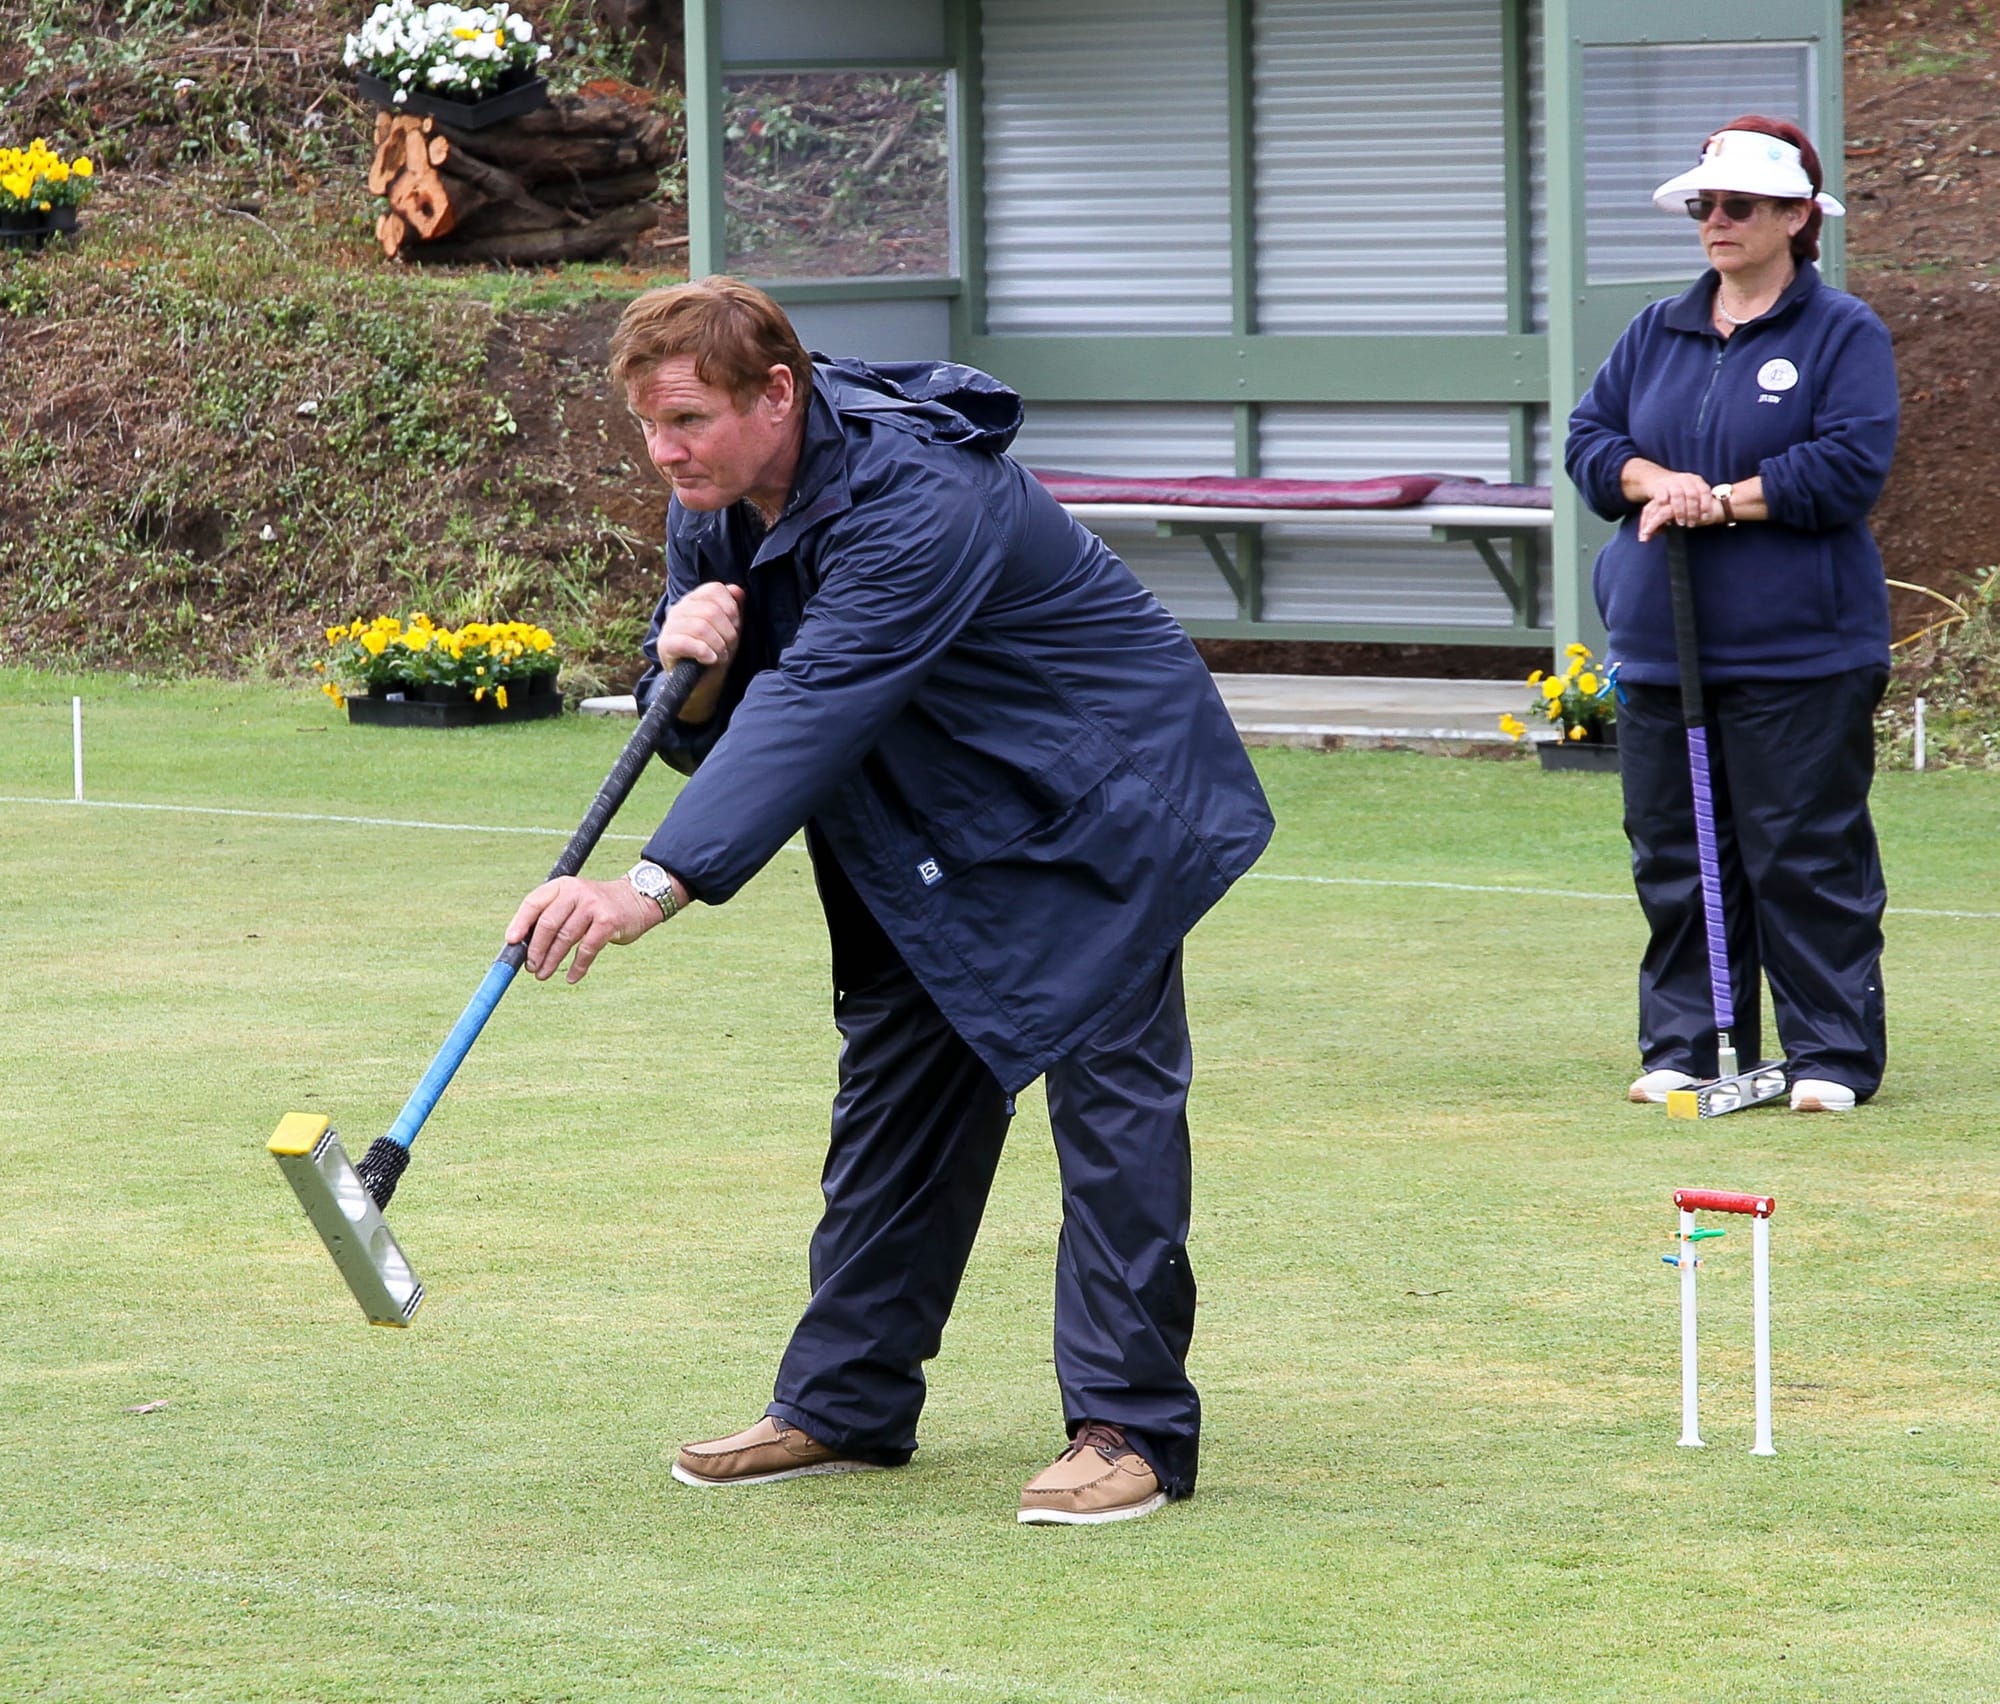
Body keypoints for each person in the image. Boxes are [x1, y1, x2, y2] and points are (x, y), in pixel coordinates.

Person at [505, 277, 1273, 1525]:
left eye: (687, 420)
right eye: (646, 426)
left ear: (776, 393)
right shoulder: (715, 502)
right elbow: (721, 724)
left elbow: (819, 699)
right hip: (925, 824)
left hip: (1100, 805)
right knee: (899, 1098)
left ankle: (1128, 1428)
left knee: (1110, 1114)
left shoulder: (920, 495)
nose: (664, 452)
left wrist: (653, 883)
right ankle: (843, 1404)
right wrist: (682, 671)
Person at [1565, 116, 1900, 1114]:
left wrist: (1717, 498)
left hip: (1800, 651)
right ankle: (1688, 1041)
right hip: (1664, 648)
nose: (1713, 221)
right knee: (1675, 854)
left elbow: (1845, 466)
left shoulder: (1841, 332)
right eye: (1702, 206)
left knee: (1801, 855)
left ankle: (1829, 1056)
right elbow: (1590, 442)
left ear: (1795, 218)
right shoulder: (1652, 331)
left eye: (1737, 206)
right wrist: (1653, 478)